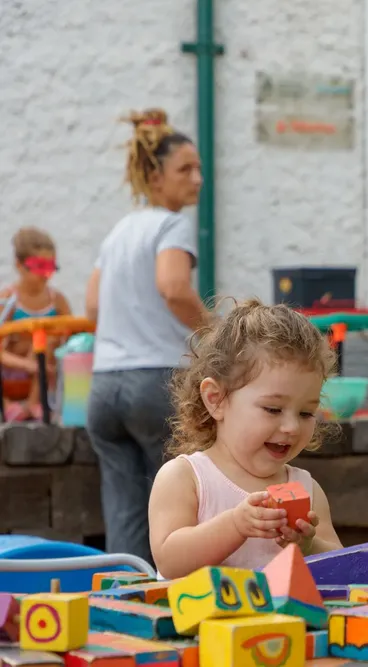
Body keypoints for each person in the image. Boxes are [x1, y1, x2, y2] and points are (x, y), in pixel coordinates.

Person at [84, 109, 211, 565]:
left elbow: (93, 307)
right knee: (175, 505)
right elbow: (173, 287)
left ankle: (122, 600)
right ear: (155, 176)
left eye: (199, 168)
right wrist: (215, 335)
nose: (197, 178)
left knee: (124, 511)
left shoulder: (119, 230)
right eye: (185, 169)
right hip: (155, 382)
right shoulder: (170, 224)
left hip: (104, 387)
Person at [148, 300, 344, 579]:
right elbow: (169, 561)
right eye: (273, 409)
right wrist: (235, 525)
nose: (290, 426)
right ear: (216, 400)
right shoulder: (186, 478)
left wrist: (309, 545)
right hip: (196, 622)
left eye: (305, 413)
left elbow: (344, 564)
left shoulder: (306, 489)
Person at [1, 227, 71, 421]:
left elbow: (72, 339)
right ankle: (8, 406)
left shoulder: (57, 300)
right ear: (19, 265)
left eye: (50, 266)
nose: (45, 274)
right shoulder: (8, 300)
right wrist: (28, 365)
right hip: (11, 376)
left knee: (47, 339)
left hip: (41, 376)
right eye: (39, 266)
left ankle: (33, 404)